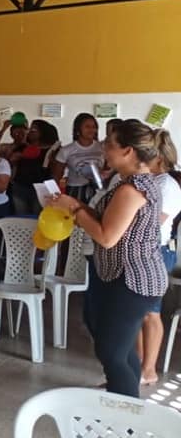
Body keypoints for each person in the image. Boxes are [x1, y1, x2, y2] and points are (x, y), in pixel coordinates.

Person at [53, 120, 168, 398]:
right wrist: (77, 206)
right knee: (115, 344)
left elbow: (107, 236)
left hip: (134, 277)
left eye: (109, 144)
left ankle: (126, 418)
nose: (103, 148)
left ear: (128, 151)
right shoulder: (126, 183)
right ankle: (123, 395)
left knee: (112, 351)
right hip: (115, 273)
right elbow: (106, 221)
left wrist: (76, 212)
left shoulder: (133, 189)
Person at [137, 132, 181, 386]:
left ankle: (149, 368)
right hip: (145, 250)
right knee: (139, 313)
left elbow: (152, 222)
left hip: (157, 250)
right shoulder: (152, 180)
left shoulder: (166, 185)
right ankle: (140, 366)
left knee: (150, 313)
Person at [52, 113, 104, 203]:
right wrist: (54, 194)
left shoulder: (102, 147)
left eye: (94, 127)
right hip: (75, 190)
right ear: (78, 129)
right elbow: (57, 176)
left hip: (99, 189)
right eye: (87, 127)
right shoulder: (66, 150)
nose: (91, 130)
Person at [10, 119, 58, 216]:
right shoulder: (22, 147)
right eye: (30, 129)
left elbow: (56, 170)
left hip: (41, 189)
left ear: (43, 131)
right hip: (20, 187)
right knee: (20, 217)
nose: (30, 131)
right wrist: (14, 158)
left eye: (34, 129)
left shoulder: (53, 150)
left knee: (38, 217)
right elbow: (11, 163)